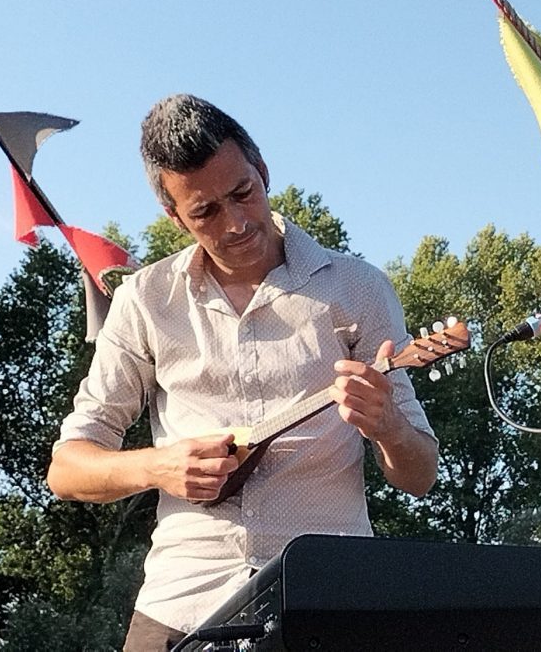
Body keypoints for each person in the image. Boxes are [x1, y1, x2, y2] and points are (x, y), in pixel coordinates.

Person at [46, 94, 438, 651]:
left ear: (263, 171)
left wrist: (388, 426)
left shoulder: (359, 287)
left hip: (327, 601)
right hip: (181, 603)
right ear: (174, 216)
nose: (235, 223)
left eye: (242, 193)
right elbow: (67, 470)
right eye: (205, 211)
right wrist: (159, 466)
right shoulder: (144, 300)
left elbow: (419, 475)